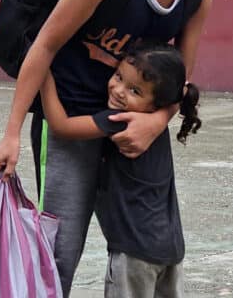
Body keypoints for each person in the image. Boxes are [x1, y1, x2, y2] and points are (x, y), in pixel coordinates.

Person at [0, 0, 233, 296]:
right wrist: (10, 134)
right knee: (60, 253)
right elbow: (43, 46)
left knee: (148, 249)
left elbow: (181, 74)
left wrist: (156, 122)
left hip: (136, 128)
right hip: (70, 120)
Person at [39, 42, 199, 298]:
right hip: (171, 249)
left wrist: (44, 76)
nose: (119, 90)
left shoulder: (120, 121)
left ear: (155, 105)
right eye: (118, 76)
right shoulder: (154, 126)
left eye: (135, 90)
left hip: (133, 252)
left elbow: (61, 127)